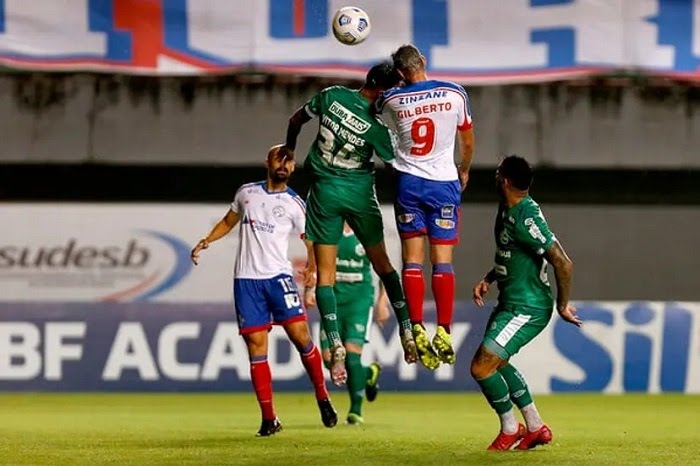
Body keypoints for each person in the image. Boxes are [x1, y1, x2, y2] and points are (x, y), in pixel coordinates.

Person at [285, 61, 417, 387]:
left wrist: (289, 147)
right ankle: (407, 328)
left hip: (324, 193)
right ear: (383, 91)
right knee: (384, 265)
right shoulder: (376, 128)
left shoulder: (331, 96)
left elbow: (296, 119)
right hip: (359, 196)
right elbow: (399, 162)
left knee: (325, 277)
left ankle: (334, 339)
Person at [190, 145, 337, 437]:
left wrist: (311, 266)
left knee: (301, 337)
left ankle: (322, 396)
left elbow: (310, 241)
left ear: (293, 168)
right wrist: (207, 240)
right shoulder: (246, 193)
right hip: (246, 281)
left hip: (278, 278)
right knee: (256, 349)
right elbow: (229, 221)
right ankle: (269, 418)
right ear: (267, 162)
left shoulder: (295, 203)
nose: (284, 164)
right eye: (279, 158)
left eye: (289, 160)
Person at [470, 155, 581, 451]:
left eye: (497, 174)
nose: (494, 177)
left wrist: (563, 304)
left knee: (481, 368)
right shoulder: (509, 208)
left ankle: (510, 427)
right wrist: (490, 278)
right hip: (510, 302)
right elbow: (513, 252)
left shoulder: (525, 216)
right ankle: (535, 427)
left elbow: (563, 263)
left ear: (505, 180)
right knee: (499, 361)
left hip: (526, 308)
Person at [377, 44, 475, 371]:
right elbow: (467, 138)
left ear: (401, 73)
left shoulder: (392, 98)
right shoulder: (455, 93)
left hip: (409, 184)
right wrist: (465, 166)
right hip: (444, 184)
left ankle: (416, 324)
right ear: (424, 62)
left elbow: (371, 103)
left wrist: (399, 87)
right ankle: (444, 330)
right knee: (442, 261)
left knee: (412, 261)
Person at [304, 222, 390, 425]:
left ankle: (355, 411)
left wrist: (382, 302)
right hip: (332, 300)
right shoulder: (328, 230)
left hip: (359, 302)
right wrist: (309, 291)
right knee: (329, 360)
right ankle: (369, 373)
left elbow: (384, 268)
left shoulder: (367, 230)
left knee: (351, 359)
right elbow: (315, 265)